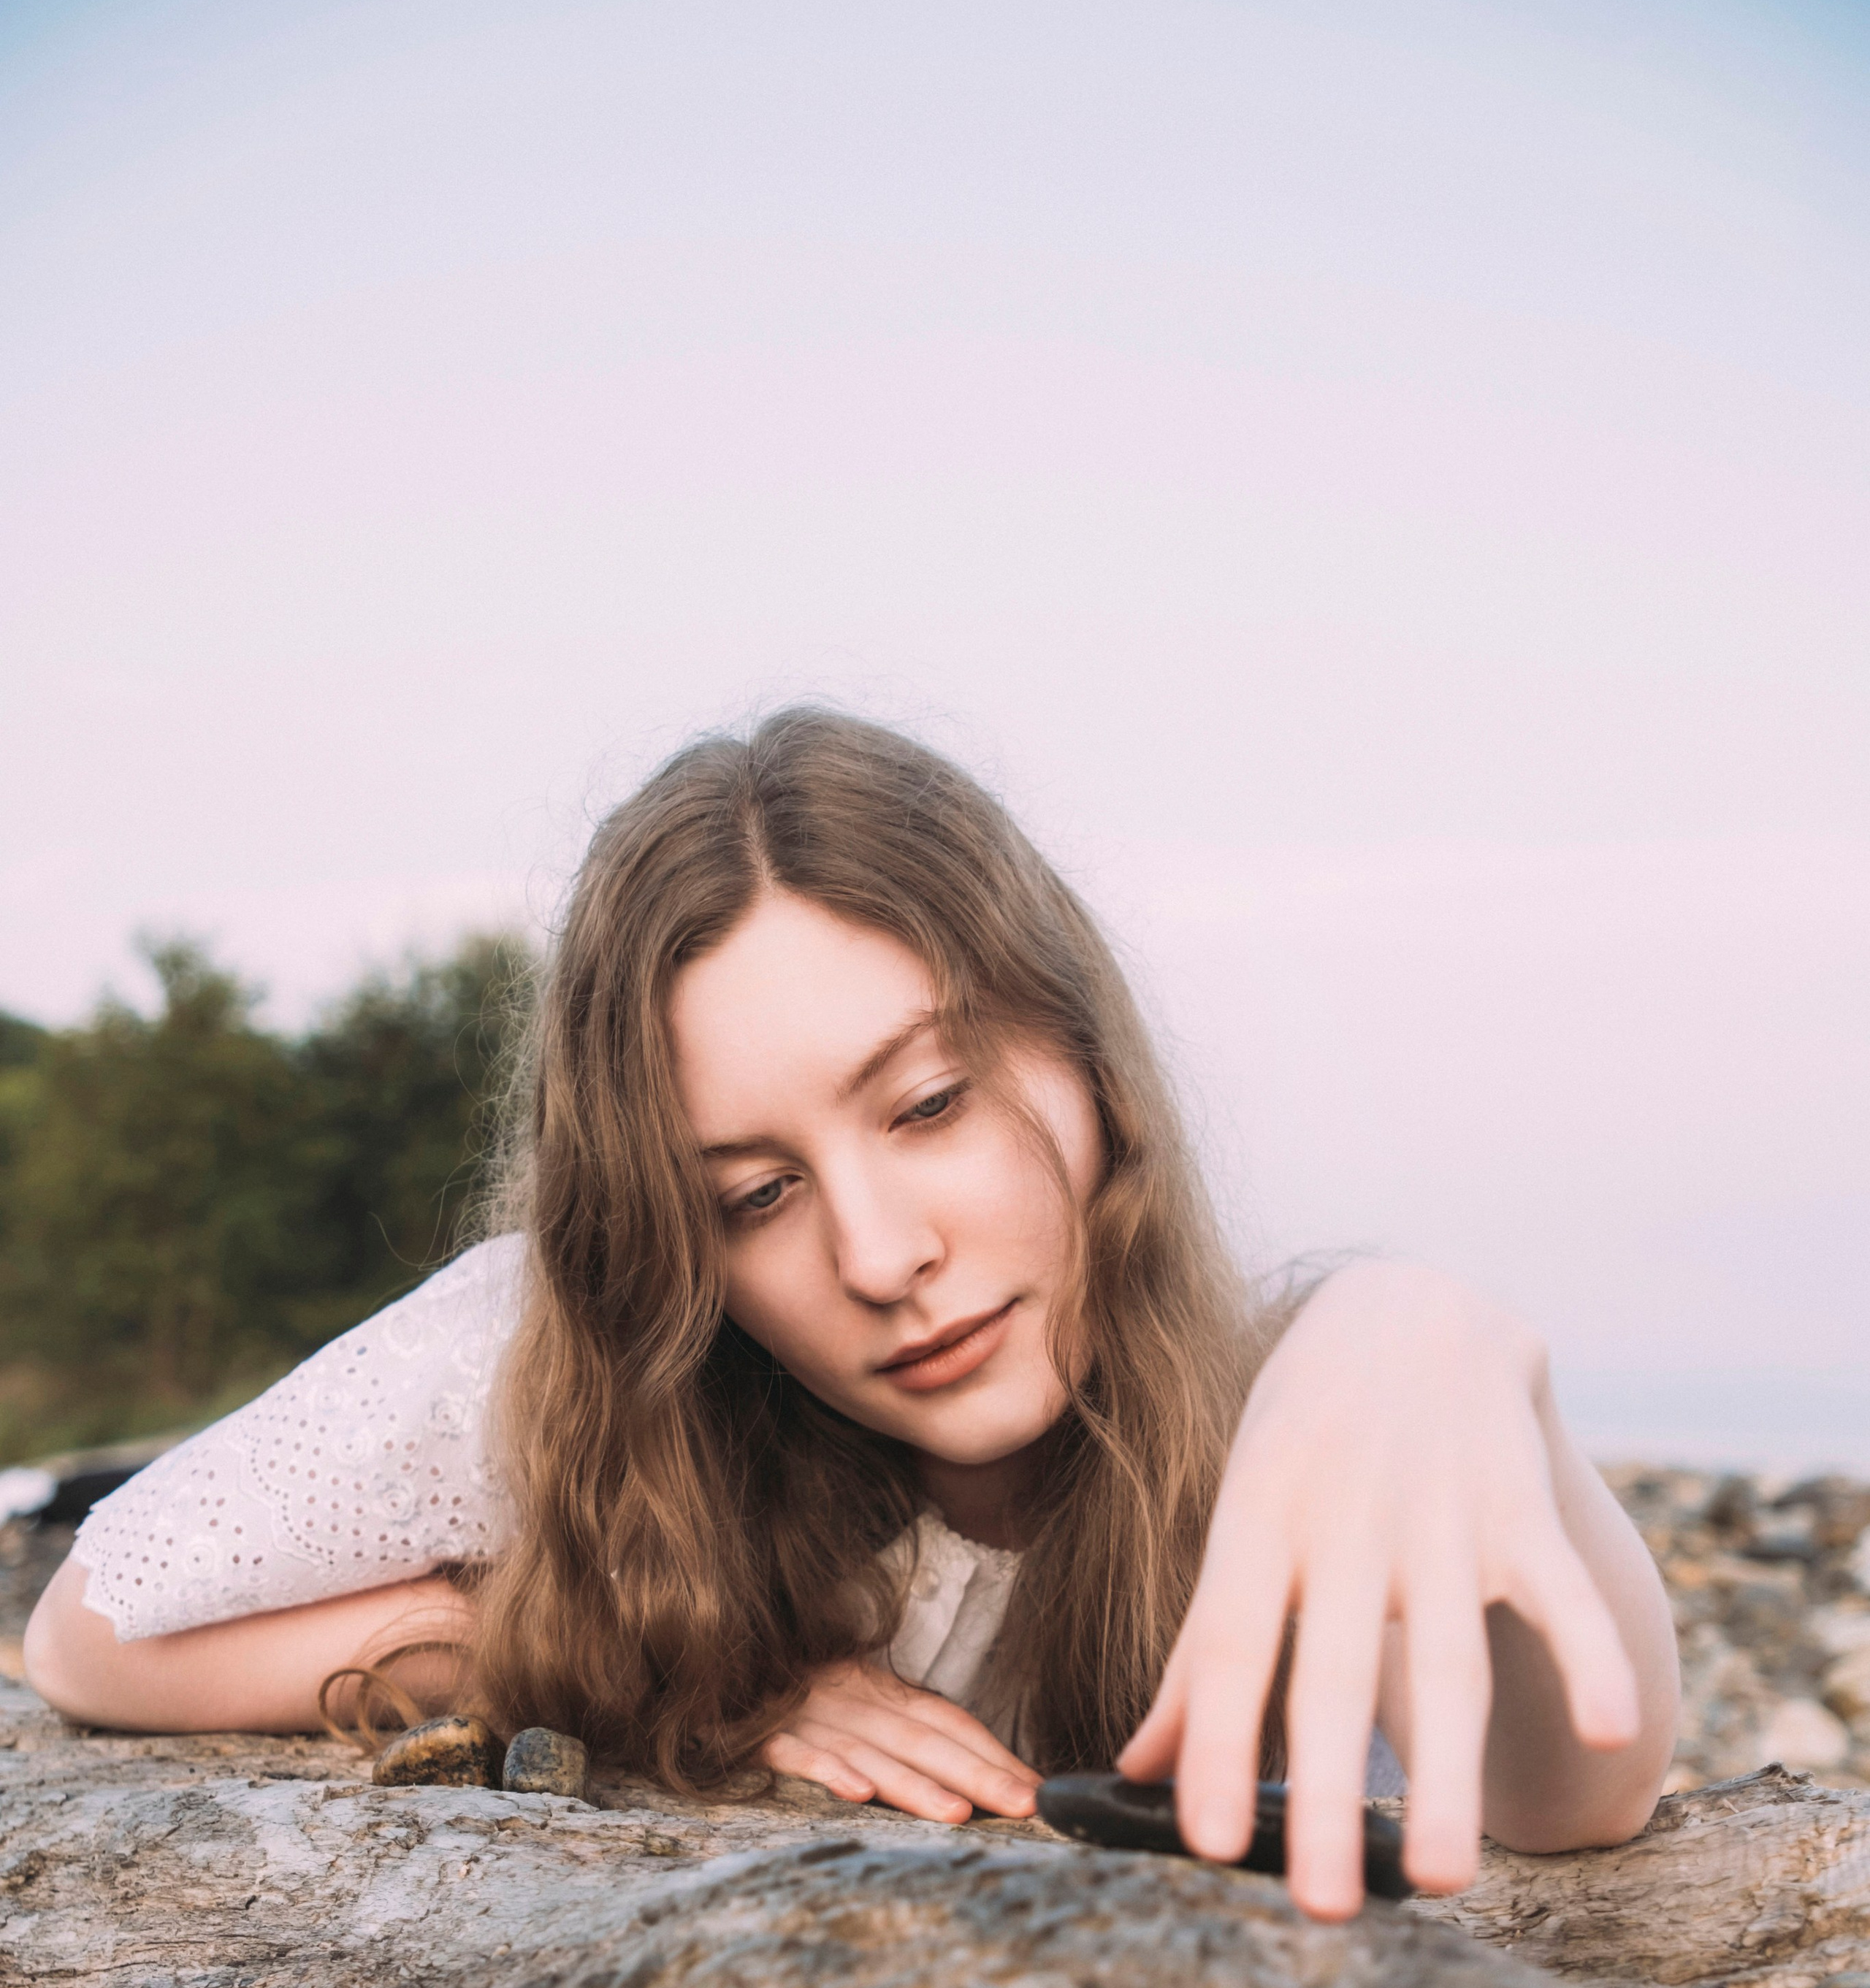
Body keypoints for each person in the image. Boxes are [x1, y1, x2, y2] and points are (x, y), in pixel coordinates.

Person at [23, 711, 1680, 1919]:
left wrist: (1445, 1347)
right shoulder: (563, 1364)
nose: (881, 1257)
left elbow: (1567, 1798)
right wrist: (655, 1676)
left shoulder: (1295, 1425)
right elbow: (95, 1630)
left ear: (1081, 1058)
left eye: (928, 1102)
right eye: (752, 1198)